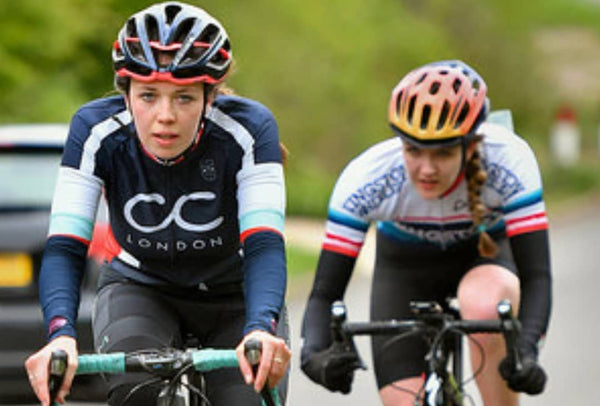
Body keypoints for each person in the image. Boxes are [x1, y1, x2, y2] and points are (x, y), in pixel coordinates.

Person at [25, 2, 290, 405]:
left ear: (210, 96)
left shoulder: (250, 130)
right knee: (135, 396)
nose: (165, 115)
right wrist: (60, 336)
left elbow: (265, 244)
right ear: (126, 94)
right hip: (140, 287)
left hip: (233, 294)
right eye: (148, 95)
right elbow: (64, 246)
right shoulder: (94, 130)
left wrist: (260, 328)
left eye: (184, 98)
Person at [300, 60, 551, 406]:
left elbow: (537, 276)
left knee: (482, 304)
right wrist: (314, 355)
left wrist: (527, 351)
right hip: (405, 268)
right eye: (413, 150)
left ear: (472, 145)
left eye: (444, 153)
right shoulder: (367, 178)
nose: (427, 168)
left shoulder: (509, 162)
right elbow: (324, 293)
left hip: (485, 254)